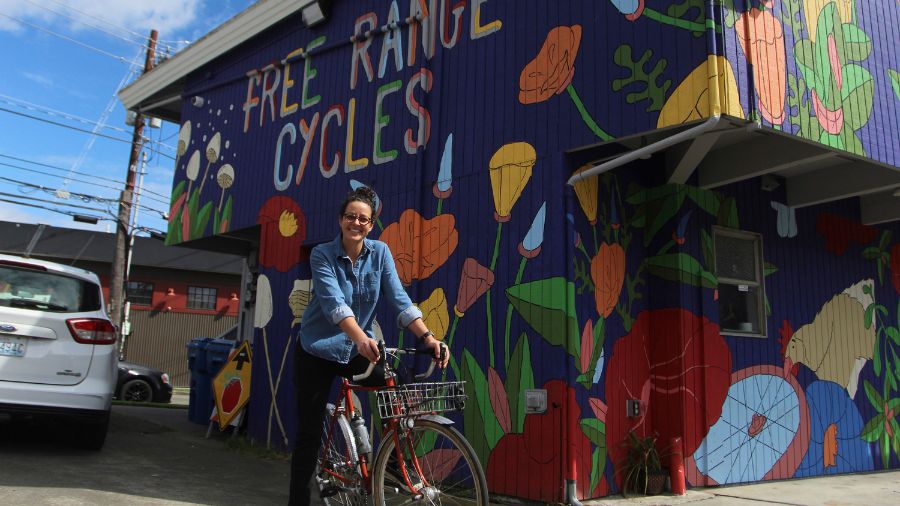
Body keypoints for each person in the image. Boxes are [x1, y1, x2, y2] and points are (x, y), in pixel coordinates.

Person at [289, 187, 448, 505]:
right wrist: (361, 338)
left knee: (395, 382)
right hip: (317, 350)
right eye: (351, 217)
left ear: (371, 224)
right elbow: (335, 306)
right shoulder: (322, 254)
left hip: (354, 350)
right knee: (309, 432)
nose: (356, 223)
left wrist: (427, 337)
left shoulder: (381, 253)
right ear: (341, 220)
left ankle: (393, 465)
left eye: (363, 218)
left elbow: (399, 300)